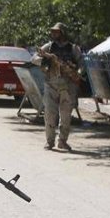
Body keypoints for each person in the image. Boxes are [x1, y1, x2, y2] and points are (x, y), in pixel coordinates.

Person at [32, 22, 82, 151]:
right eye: (53, 32)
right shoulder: (49, 47)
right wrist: (46, 61)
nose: (53, 34)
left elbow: (82, 65)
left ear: (63, 33)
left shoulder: (73, 49)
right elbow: (34, 58)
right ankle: (50, 141)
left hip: (68, 86)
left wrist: (75, 72)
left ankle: (62, 141)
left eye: (56, 32)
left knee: (66, 115)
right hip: (51, 83)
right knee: (49, 113)